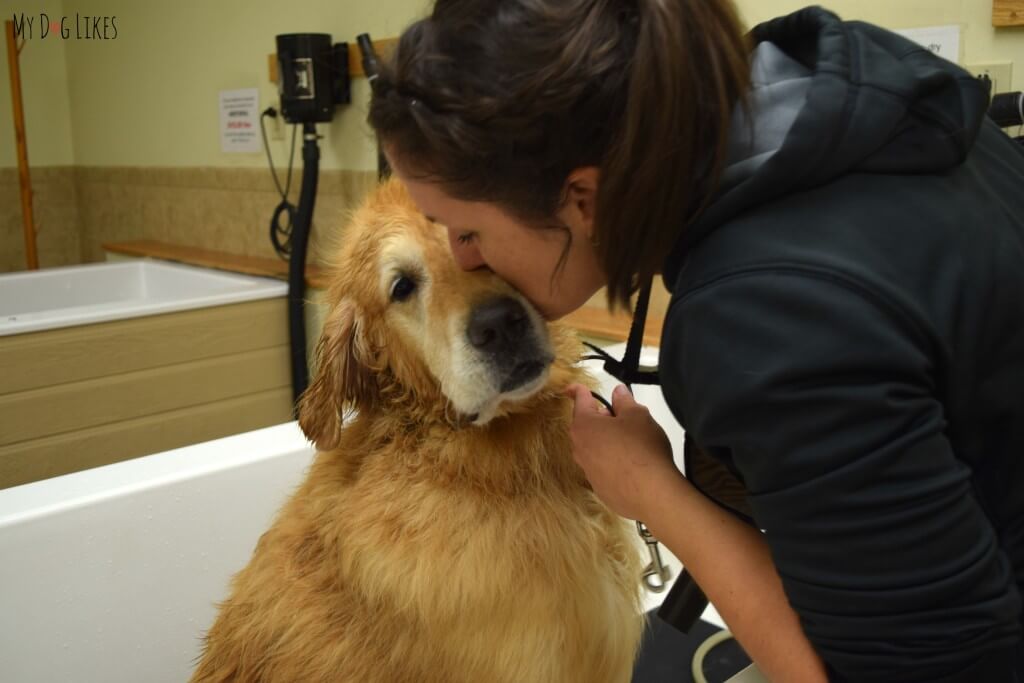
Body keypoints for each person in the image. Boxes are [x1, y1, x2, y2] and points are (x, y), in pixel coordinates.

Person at [367, 1, 1024, 680]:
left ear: (583, 200)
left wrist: (653, 490)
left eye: (466, 230)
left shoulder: (770, 318)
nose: (465, 261)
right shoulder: (851, 94)